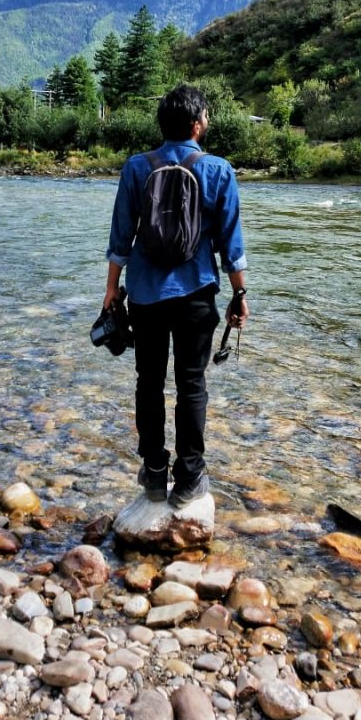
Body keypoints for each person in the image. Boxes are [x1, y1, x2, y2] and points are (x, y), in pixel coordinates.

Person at [103, 83, 248, 508]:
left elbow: (120, 237)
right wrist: (240, 294)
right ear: (198, 124)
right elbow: (230, 244)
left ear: (162, 124)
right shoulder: (219, 170)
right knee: (191, 385)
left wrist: (112, 291)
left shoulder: (135, 168)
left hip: (146, 296)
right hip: (196, 293)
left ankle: (152, 472)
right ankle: (188, 479)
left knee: (148, 383)